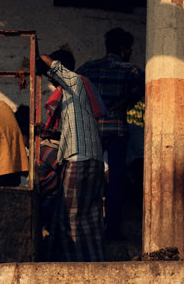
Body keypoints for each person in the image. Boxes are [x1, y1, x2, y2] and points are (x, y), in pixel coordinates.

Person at [77, 27, 144, 240]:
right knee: (115, 181)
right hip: (116, 130)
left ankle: (88, 227)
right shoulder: (131, 71)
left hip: (92, 131)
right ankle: (112, 229)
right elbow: (138, 94)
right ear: (124, 49)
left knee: (90, 179)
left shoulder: (88, 68)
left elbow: (76, 89)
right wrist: (122, 104)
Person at [37, 49, 104, 262]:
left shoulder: (75, 81)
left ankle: (81, 269)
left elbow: (53, 66)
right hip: (91, 159)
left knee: (71, 220)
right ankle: (94, 265)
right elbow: (70, 129)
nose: (50, 79)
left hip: (79, 158)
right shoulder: (74, 93)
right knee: (88, 220)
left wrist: (38, 53)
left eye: (50, 75)